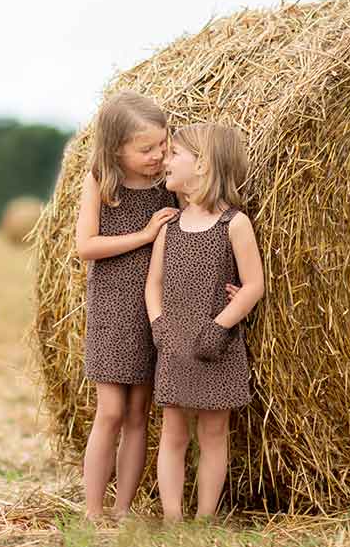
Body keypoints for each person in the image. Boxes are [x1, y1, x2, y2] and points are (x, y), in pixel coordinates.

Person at [146, 123, 264, 522]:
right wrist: (158, 325)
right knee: (173, 434)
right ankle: (173, 516)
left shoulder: (234, 223)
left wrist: (220, 326)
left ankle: (204, 517)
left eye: (175, 154)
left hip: (218, 347)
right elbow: (154, 284)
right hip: (175, 346)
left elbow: (253, 285)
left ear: (205, 165)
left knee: (213, 434)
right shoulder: (170, 226)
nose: (165, 160)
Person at [75, 91, 178, 519]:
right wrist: (143, 235)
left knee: (139, 413)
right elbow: (86, 246)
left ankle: (123, 509)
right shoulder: (101, 178)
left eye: (162, 145)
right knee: (111, 411)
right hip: (113, 307)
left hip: (156, 308)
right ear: (116, 148)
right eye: (146, 149)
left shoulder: (166, 184)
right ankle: (92, 511)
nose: (157, 155)